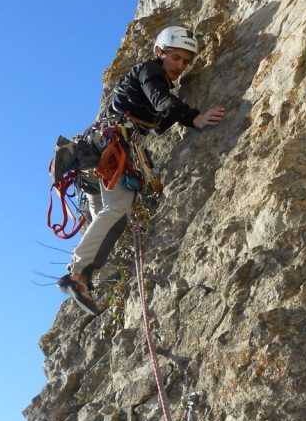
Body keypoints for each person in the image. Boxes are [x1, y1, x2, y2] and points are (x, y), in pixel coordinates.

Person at [57, 25, 225, 315]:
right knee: (118, 208)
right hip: (109, 151)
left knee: (110, 220)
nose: (180, 65)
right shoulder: (149, 70)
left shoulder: (150, 82)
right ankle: (78, 274)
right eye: (175, 57)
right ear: (159, 52)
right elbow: (161, 100)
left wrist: (174, 112)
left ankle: (80, 274)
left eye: (186, 61)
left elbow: (158, 123)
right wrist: (194, 117)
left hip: (92, 158)